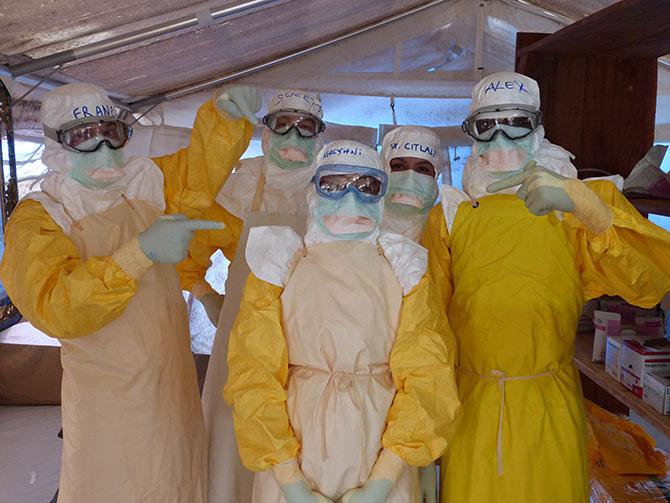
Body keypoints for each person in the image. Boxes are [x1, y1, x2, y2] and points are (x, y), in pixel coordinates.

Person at [0, 82, 256, 502]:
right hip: (109, 398)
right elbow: (57, 308)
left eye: (112, 133)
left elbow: (196, 173)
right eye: (84, 137)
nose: (104, 150)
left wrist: (224, 119)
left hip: (171, 380)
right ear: (55, 143)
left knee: (179, 478)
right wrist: (138, 254)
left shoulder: (141, 182)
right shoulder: (42, 216)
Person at [421, 71, 670, 502]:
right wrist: (424, 448)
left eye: (515, 122)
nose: (501, 138)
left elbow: (649, 284)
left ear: (537, 128)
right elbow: (427, 331)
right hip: (470, 409)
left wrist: (590, 208)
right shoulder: (449, 215)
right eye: (486, 125)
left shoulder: (578, 206)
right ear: (471, 133)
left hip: (549, 406)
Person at [224, 139, 460, 503]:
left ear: (381, 195)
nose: (351, 198)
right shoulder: (278, 265)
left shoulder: (405, 270)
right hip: (296, 448)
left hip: (379, 448)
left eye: (367, 187)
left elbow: (429, 375)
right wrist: (290, 481)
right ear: (312, 192)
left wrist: (383, 481)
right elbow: (253, 373)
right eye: (334, 185)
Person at [180, 89, 328, 503]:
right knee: (234, 432)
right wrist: (204, 292)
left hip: (308, 341)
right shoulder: (242, 185)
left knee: (296, 434)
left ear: (319, 134)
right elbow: (189, 244)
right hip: (243, 336)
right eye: (284, 124)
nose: (294, 138)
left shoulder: (330, 189)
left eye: (306, 127)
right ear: (267, 129)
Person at [380, 126, 442, 242]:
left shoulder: (447, 231)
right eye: (398, 166)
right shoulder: (360, 228)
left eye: (422, 169)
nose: (410, 179)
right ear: (383, 170)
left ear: (435, 176)